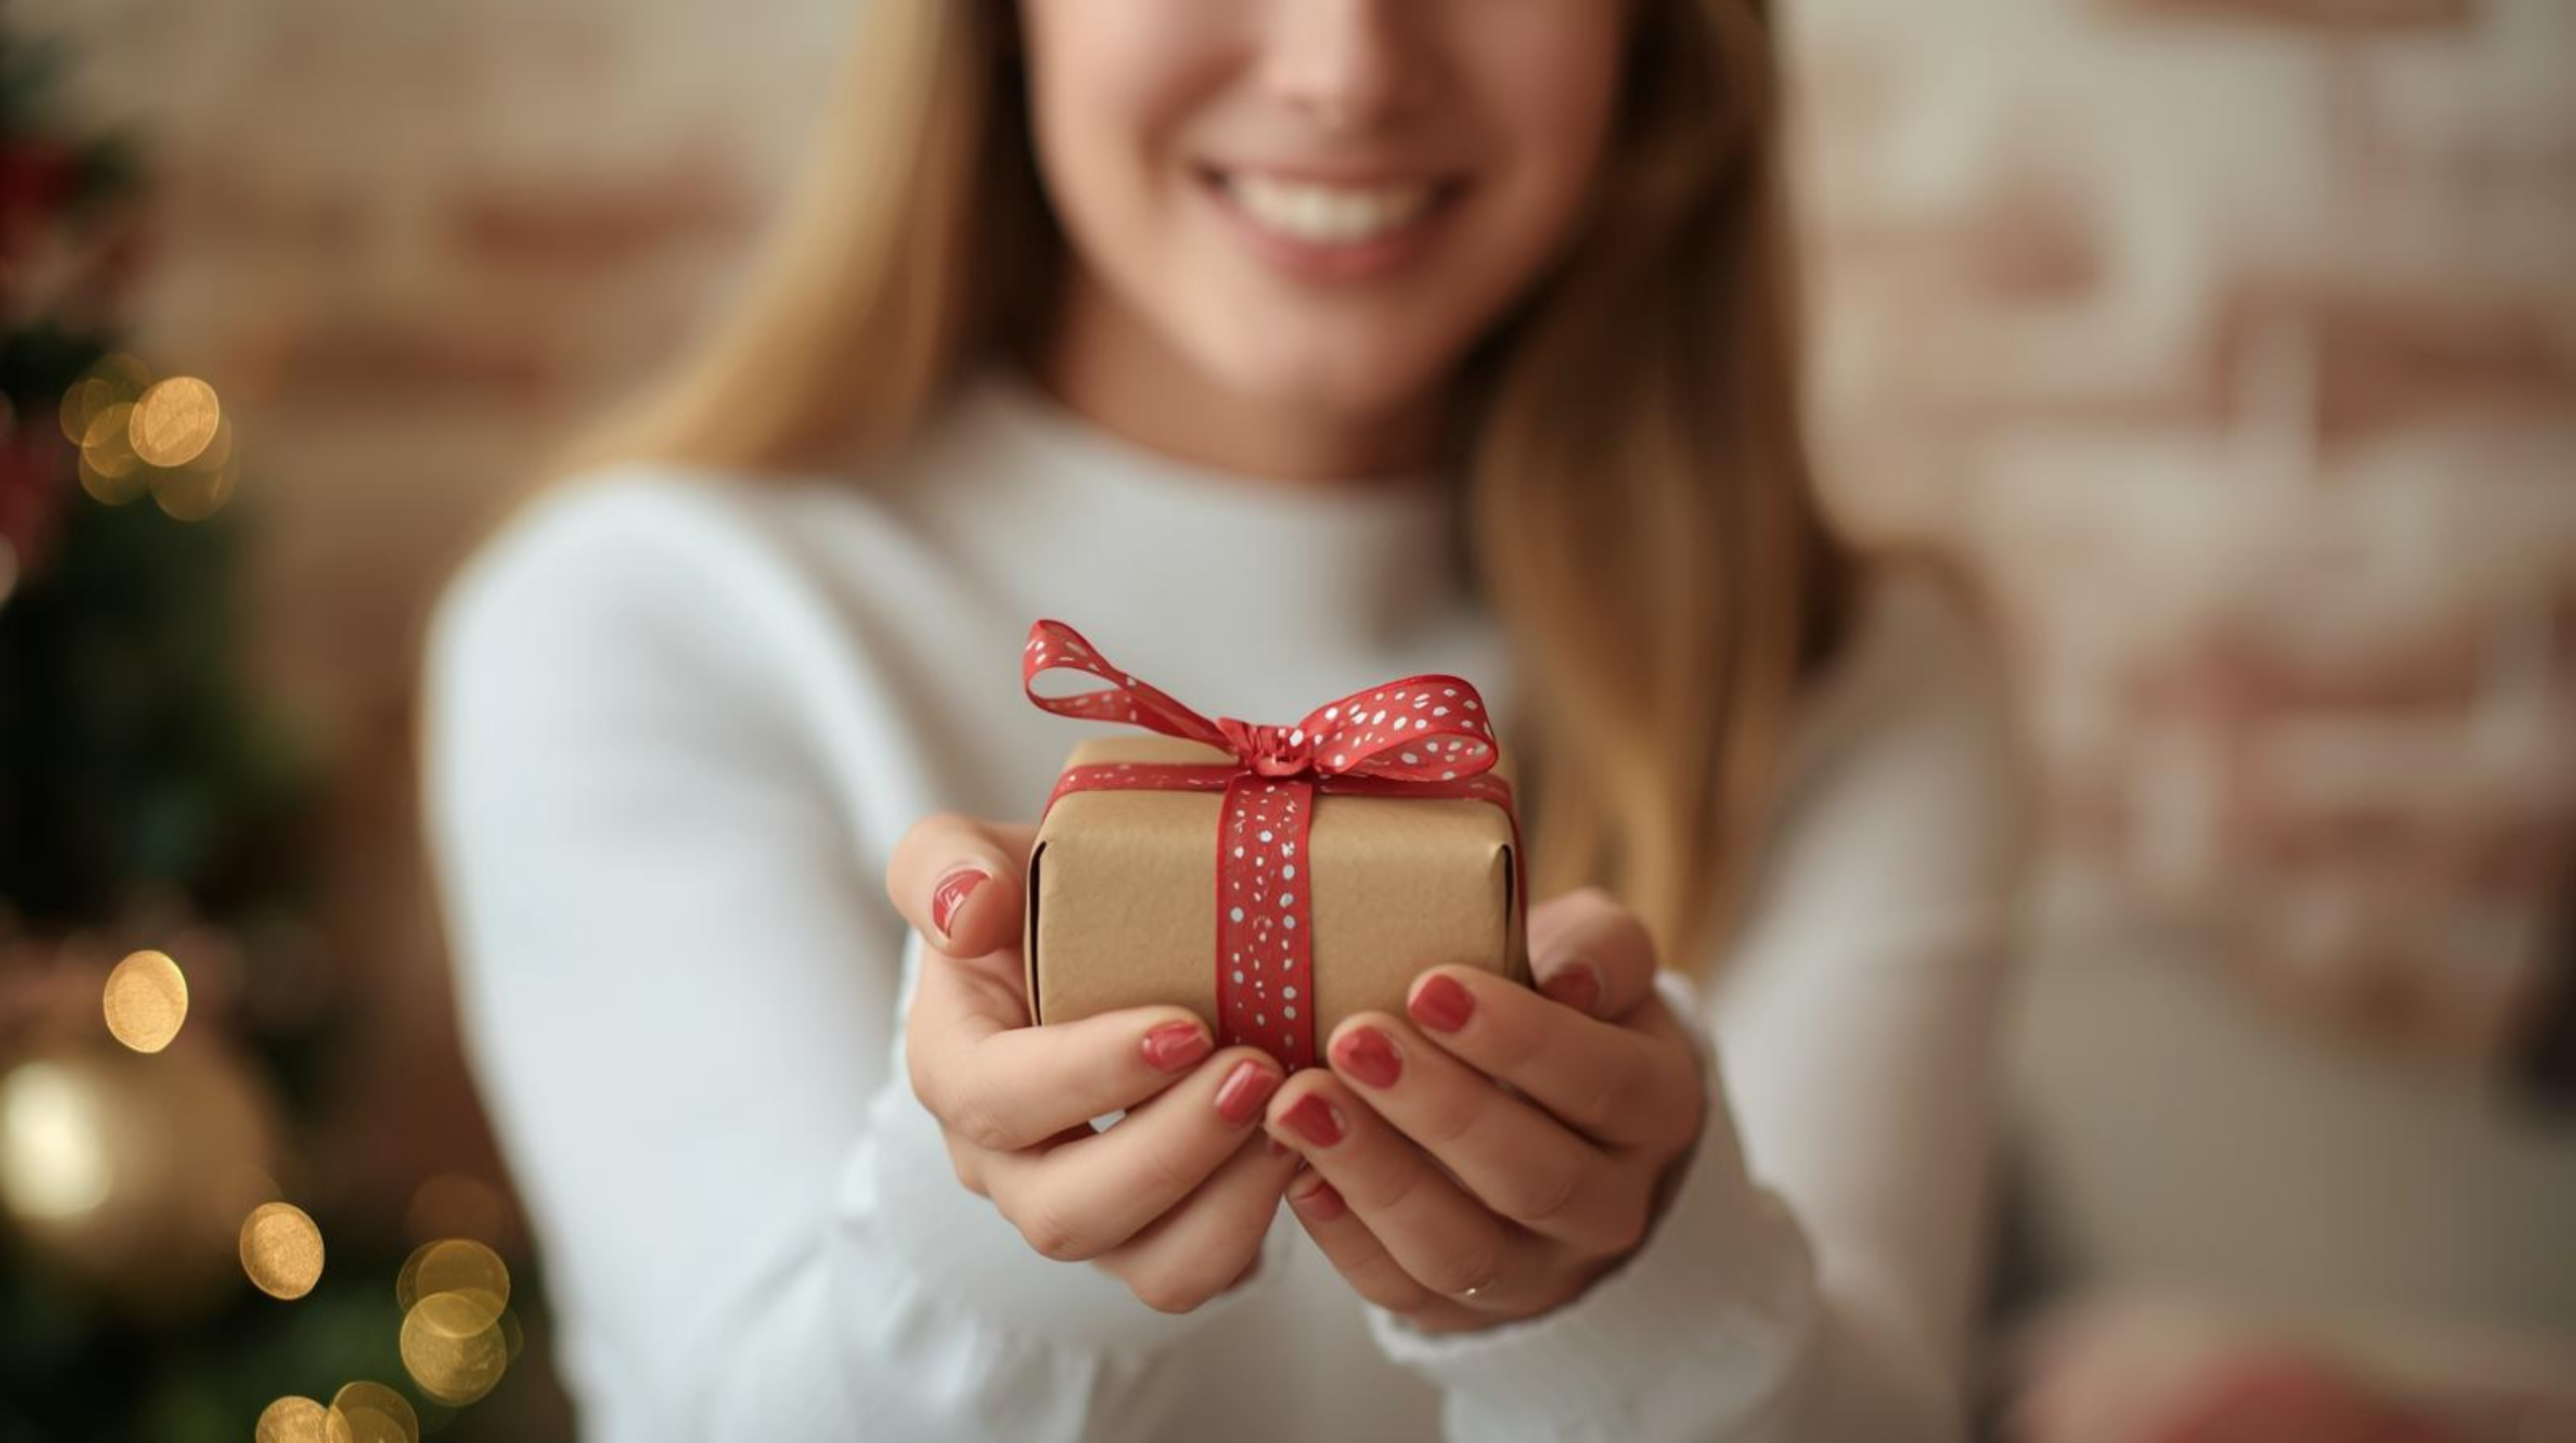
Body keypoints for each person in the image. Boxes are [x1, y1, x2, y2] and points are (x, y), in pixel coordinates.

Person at [419, 0, 2026, 1437]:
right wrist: (984, 1247)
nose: (1345, 70)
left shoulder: (1847, 676)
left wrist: (1640, 1298)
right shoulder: (649, 617)